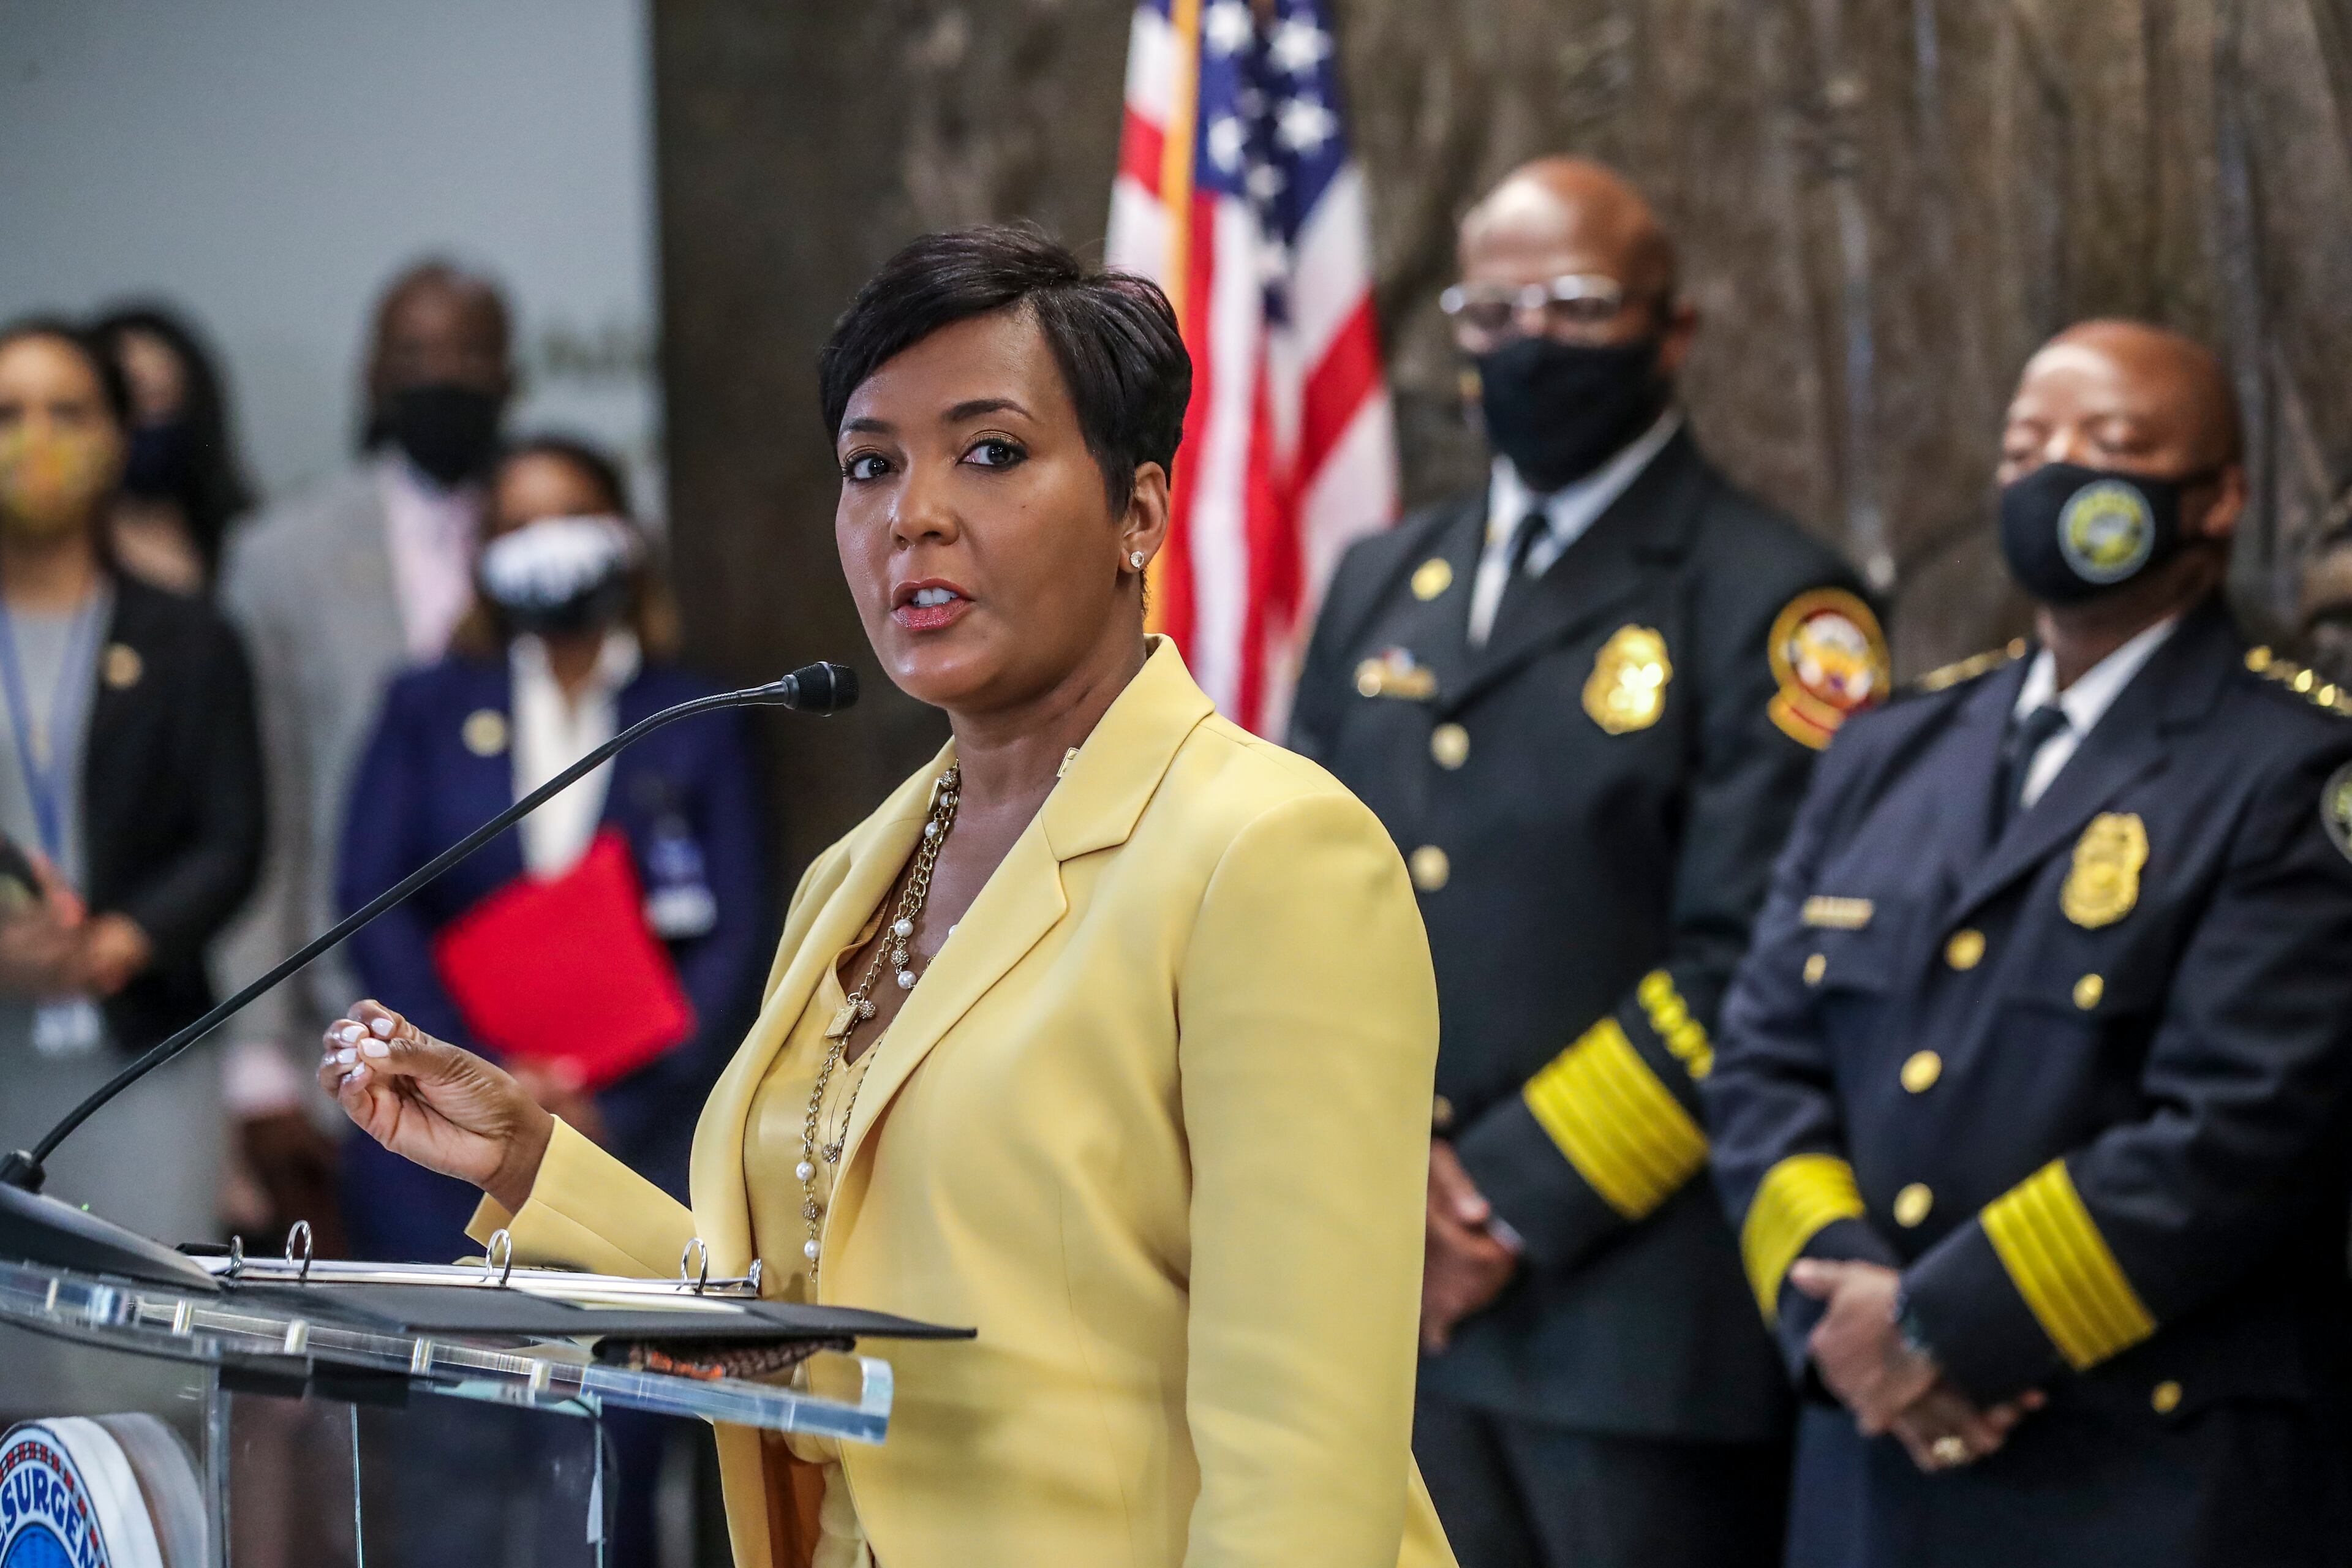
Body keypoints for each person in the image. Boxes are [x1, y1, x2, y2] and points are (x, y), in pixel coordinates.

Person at [318, 224, 1456, 1568]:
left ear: (1139, 512)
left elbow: (1303, 1474)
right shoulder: (854, 875)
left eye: (990, 452)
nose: (914, 511)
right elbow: (811, 1328)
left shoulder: (1269, 854)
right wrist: (525, 1159)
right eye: (871, 464)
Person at [1287, 156, 1888, 1568]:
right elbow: (1296, 902)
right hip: (1387, 1309)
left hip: (1630, 1328)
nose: (1525, 342)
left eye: (1571, 304)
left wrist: (1490, 1199)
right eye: (1489, 311)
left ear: (1669, 329)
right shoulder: (1383, 579)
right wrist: (1380, 1180)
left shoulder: (1775, 599)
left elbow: (1755, 956)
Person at [1703, 320, 2352, 1567]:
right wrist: (1844, 1300)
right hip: (1874, 1466)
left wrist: (1943, 1328)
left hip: (2145, 1472)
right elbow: (1761, 1057)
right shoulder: (1892, 750)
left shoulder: (2293, 770)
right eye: (2026, 445)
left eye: (2111, 445)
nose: (2058, 469)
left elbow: (2245, 1125)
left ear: (2218, 500)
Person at [337, 432, 767, 1568]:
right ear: (482, 557)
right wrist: (484, 1081)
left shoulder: (696, 709)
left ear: (626, 535)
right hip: (449, 1155)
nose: (546, 544)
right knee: (460, 1461)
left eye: (570, 513)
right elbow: (373, 900)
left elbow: (738, 930)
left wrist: (604, 1097)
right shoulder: (429, 703)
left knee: (621, 1461)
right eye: (517, 523)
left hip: (639, 1140)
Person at [218, 260, 514, 1241]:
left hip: (538, 1018)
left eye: (472, 353)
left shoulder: (560, 522)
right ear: (373, 376)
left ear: (512, 374)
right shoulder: (282, 556)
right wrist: (259, 1056)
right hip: (349, 1023)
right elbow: (268, 805)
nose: (446, 377)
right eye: (417, 355)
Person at [0, 317, 265, 1243]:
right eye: (9, 413)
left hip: (143, 1045)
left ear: (115, 437)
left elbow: (233, 839)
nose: (36, 440)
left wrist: (120, 941)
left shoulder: (191, 636)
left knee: (142, 1345)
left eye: (67, 412)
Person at [91, 304, 258, 594]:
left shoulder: (249, 541)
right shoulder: (49, 554)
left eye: (163, 397)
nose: (147, 419)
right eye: (128, 401)